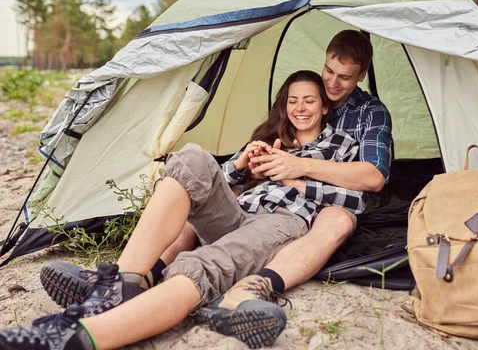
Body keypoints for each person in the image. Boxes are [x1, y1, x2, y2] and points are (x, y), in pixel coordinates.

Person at [0, 70, 369, 350]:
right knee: (192, 158)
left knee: (201, 264)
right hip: (238, 212)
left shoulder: (341, 145)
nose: (300, 108)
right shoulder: (272, 137)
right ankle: (121, 282)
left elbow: (354, 202)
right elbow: (207, 184)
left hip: (280, 224)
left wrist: (296, 175)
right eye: (292, 100)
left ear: (324, 106)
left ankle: (75, 338)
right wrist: (241, 166)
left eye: (308, 100)